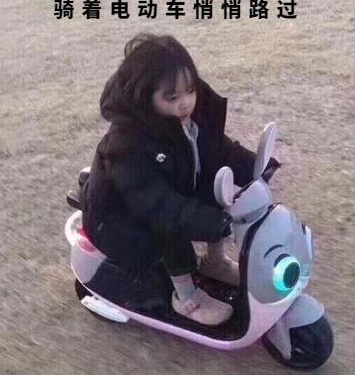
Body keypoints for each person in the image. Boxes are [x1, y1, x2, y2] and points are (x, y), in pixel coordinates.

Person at [80, 33, 277, 326]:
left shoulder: (187, 119)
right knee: (170, 227)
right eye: (171, 97)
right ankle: (185, 296)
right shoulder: (129, 145)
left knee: (215, 187)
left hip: (165, 193)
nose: (185, 103)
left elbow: (217, 149)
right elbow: (157, 204)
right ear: (144, 96)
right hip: (121, 218)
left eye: (190, 90)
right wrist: (206, 221)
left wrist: (254, 166)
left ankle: (214, 263)